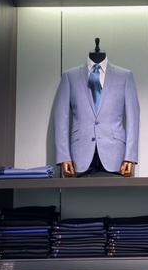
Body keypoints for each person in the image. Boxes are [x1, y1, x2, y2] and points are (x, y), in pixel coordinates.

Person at [54, 39, 140, 177]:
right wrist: (64, 156)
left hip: (115, 154)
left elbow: (133, 118)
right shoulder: (70, 77)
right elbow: (61, 118)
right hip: (79, 156)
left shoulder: (125, 76)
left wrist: (130, 157)